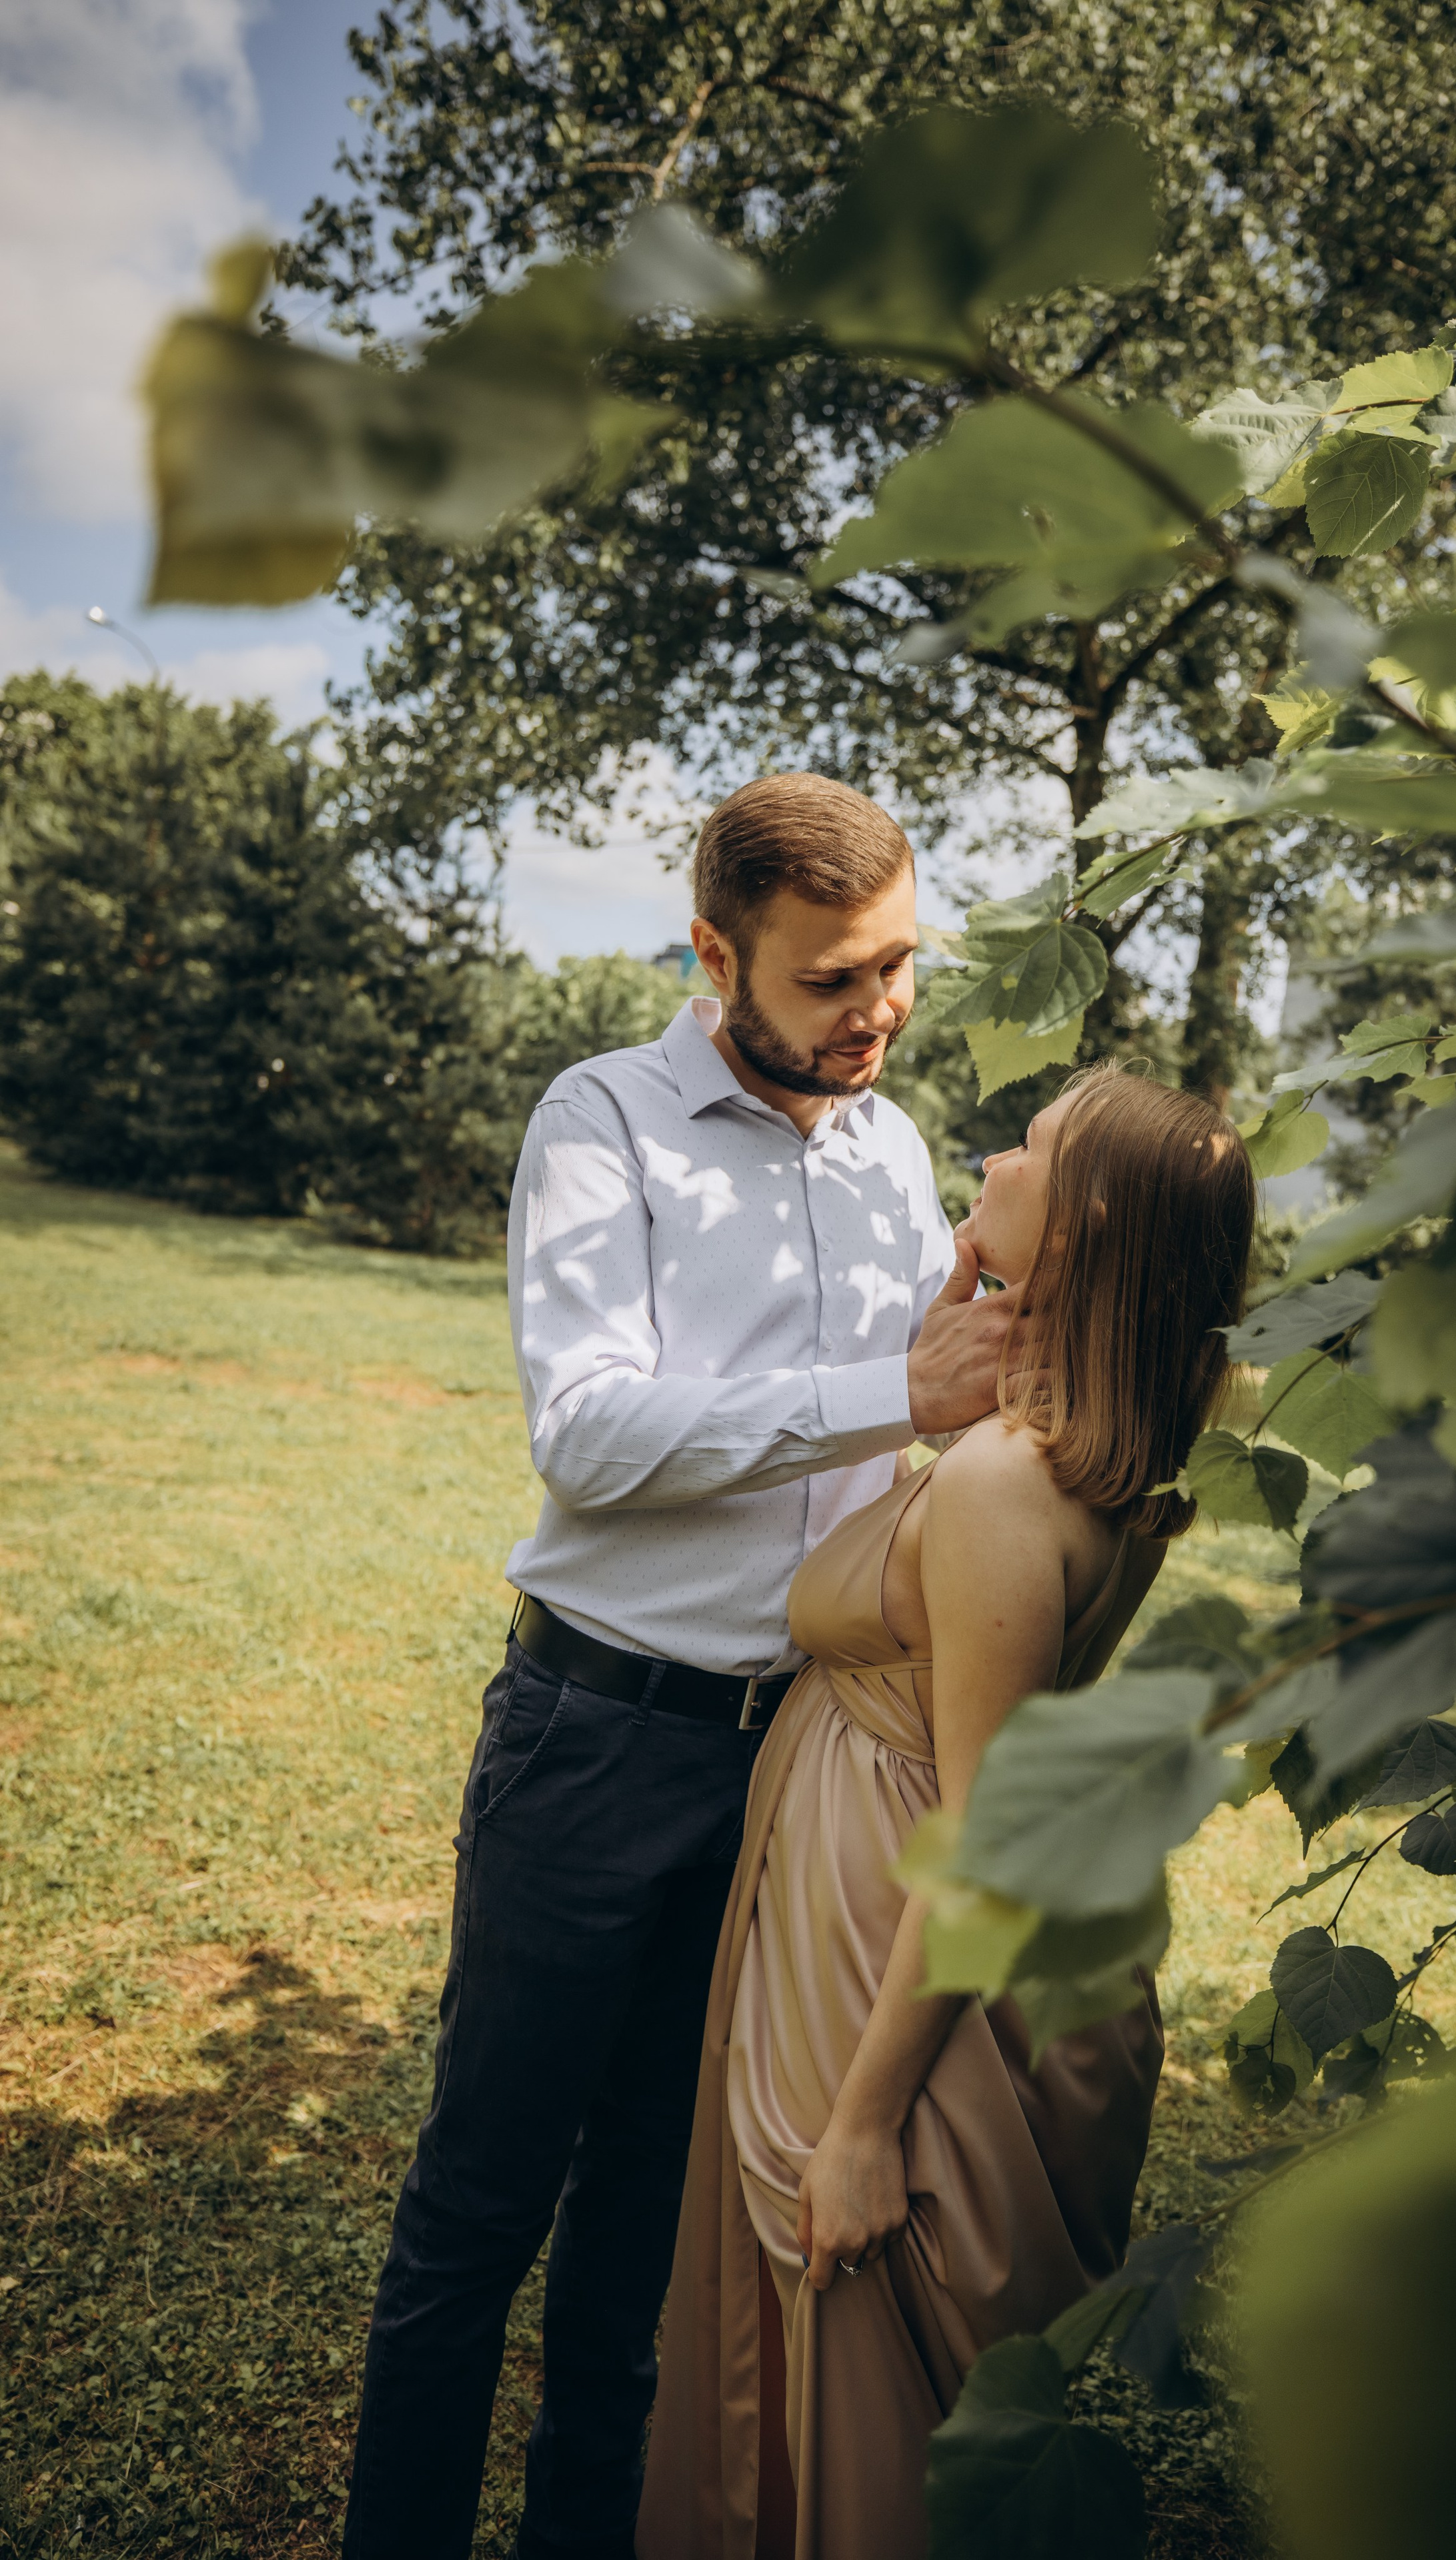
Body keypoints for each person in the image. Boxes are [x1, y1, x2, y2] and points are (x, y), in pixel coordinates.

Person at [341, 774, 1022, 2560]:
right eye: (828, 979)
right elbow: (592, 1434)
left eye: (898, 969)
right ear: (715, 951)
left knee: (651, 2219)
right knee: (481, 2207)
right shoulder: (604, 1120)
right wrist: (906, 1390)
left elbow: (911, 1453)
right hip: (593, 1737)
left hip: (792, 1765)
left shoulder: (893, 1148)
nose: (876, 1011)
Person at [637, 1064, 1257, 2560]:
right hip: (887, 1902)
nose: (988, 1150)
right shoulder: (1090, 1451)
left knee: (839, 2373)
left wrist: (860, 2121)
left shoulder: (1001, 1485)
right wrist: (977, 1284)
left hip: (892, 1945)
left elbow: (981, 1836)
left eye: (1027, 1146)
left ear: (1090, 1216)